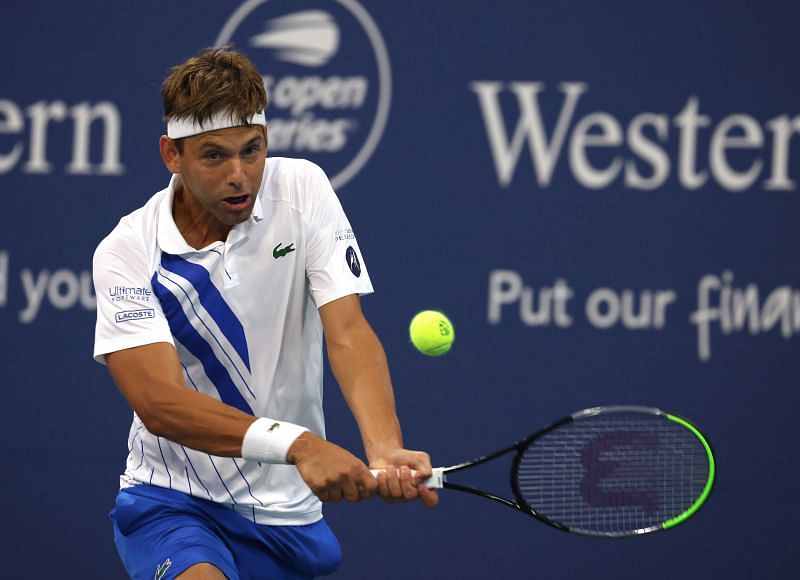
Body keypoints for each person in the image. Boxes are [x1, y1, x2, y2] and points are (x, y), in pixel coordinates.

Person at [92, 47, 437, 580]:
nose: (240, 175)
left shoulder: (302, 190)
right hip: (174, 500)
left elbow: (346, 331)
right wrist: (297, 445)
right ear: (171, 154)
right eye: (214, 156)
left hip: (287, 515)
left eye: (252, 150)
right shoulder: (127, 251)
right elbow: (159, 403)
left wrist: (385, 447)